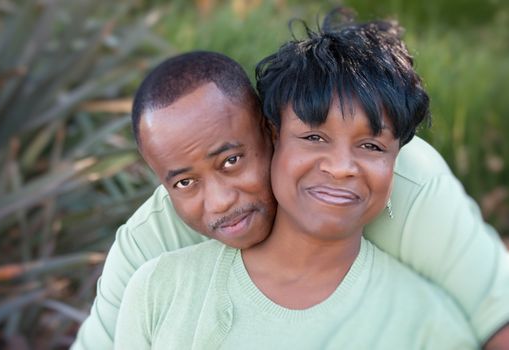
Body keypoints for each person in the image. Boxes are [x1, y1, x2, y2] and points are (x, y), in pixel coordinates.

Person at [72, 15, 509, 350]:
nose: (340, 167)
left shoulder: (413, 196)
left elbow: (496, 313)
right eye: (315, 138)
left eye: (232, 161)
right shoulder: (156, 274)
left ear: (268, 134)